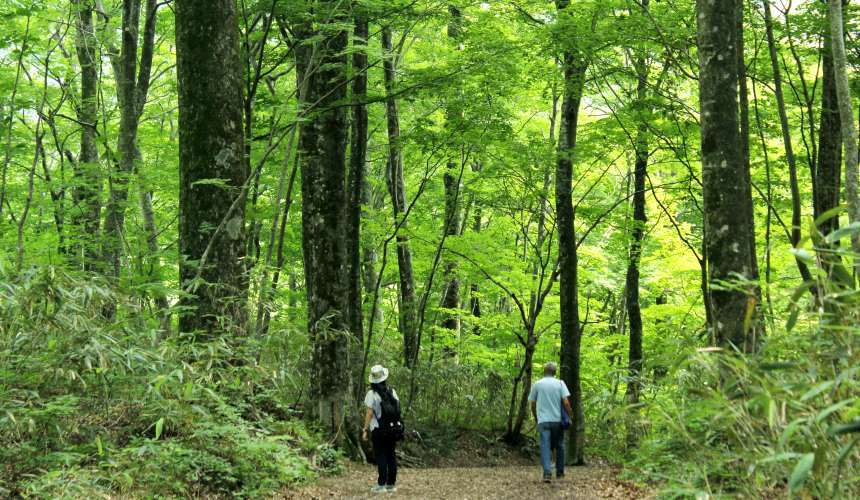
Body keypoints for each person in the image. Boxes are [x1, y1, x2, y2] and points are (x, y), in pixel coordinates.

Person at [529, 362, 573, 483]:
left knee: (545, 445)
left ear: (544, 371)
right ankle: (559, 472)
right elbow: (566, 402)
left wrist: (536, 417)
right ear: (555, 372)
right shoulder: (560, 383)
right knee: (559, 445)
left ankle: (547, 474)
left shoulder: (537, 384)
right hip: (557, 421)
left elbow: (532, 404)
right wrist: (570, 415)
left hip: (543, 421)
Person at [362, 364, 399, 493]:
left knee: (381, 456)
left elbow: (369, 413)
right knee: (391, 455)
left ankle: (381, 485)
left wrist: (365, 429)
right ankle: (391, 484)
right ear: (384, 378)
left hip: (378, 429)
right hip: (392, 429)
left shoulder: (371, 394)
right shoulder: (392, 391)